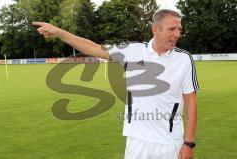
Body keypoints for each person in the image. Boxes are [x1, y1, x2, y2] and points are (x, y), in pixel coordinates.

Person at [33, 9, 199, 159]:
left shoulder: (184, 59)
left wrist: (189, 143)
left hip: (170, 143)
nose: (177, 34)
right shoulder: (133, 51)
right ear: (156, 29)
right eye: (172, 29)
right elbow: (94, 47)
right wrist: (60, 33)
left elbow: (191, 103)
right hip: (137, 141)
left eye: (179, 30)